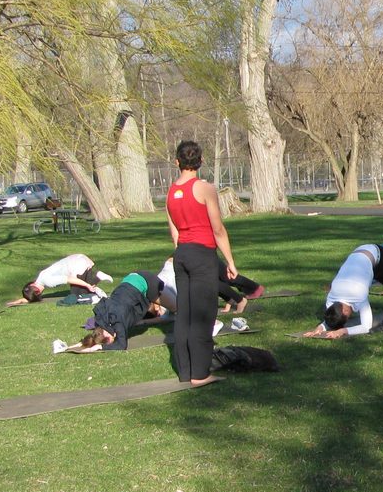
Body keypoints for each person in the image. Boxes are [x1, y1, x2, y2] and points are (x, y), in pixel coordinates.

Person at [166, 140, 239, 387]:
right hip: (202, 255)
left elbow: (174, 232)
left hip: (182, 254)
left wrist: (181, 253)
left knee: (183, 314)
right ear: (200, 162)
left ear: (177, 162)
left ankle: (185, 373)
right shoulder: (205, 188)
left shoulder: (171, 191)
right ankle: (200, 374)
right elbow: (217, 228)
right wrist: (229, 261)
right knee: (203, 315)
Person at [72, 271, 164, 352]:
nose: (115, 337)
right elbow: (92, 334)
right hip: (130, 278)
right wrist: (82, 343)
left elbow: (121, 345)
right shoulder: (101, 316)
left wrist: (101, 347)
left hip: (147, 281)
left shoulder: (117, 320)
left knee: (175, 308)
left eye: (113, 339)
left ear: (107, 334)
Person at [157, 256, 264, 315]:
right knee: (214, 282)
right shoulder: (158, 289)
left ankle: (245, 296)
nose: (158, 311)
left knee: (224, 279)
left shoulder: (161, 288)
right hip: (191, 258)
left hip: (194, 257)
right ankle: (234, 299)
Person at [7, 253, 113, 306]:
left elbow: (71, 279)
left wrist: (87, 285)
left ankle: (97, 277)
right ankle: (95, 277)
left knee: (77, 295)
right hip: (77, 259)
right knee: (83, 289)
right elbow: (30, 292)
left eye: (39, 295)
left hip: (78, 264)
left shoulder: (48, 281)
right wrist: (20, 300)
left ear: (38, 291)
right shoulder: (40, 278)